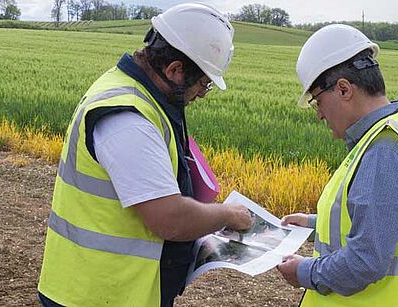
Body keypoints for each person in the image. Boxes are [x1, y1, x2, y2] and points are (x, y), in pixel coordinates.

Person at [37, 3, 253, 306]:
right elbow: (170, 219)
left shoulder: (137, 94)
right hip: (96, 294)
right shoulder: (128, 119)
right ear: (175, 69)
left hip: (110, 289)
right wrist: (227, 215)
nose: (202, 93)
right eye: (203, 83)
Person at [275, 24, 398, 306]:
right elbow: (387, 219)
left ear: (344, 89)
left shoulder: (384, 153)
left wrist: (304, 272)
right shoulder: (396, 129)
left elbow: (365, 261)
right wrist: (314, 223)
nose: (319, 115)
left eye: (317, 101)